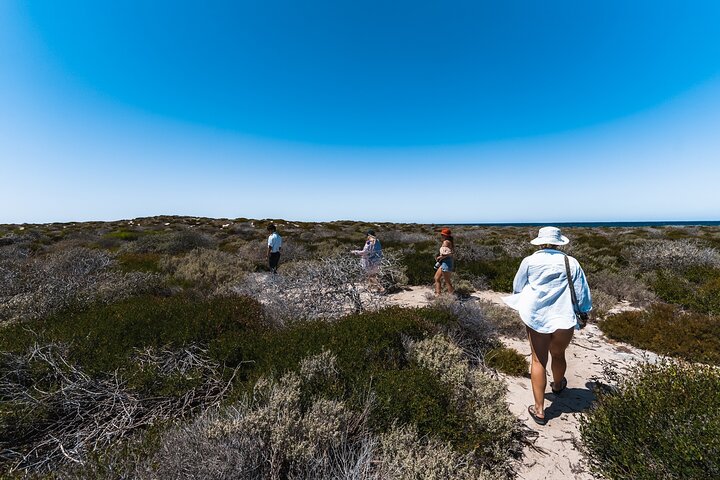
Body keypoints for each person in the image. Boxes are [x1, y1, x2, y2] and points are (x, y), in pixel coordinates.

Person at [502, 226, 592, 426]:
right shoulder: (571, 262)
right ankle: (558, 385)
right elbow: (582, 292)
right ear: (560, 242)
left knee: (538, 360)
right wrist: (585, 311)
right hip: (564, 316)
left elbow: (518, 286)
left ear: (540, 242)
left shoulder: (530, 261)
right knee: (558, 354)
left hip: (537, 316)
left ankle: (540, 410)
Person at [434, 228, 455, 295]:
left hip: (446, 262)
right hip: (445, 262)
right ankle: (438, 294)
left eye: (442, 235)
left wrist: (439, 257)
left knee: (447, 281)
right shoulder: (449, 241)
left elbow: (448, 253)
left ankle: (451, 297)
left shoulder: (446, 242)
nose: (442, 236)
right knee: (437, 278)